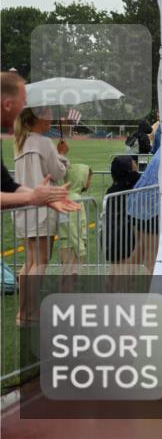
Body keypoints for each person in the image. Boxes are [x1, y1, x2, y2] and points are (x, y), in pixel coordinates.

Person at [12, 104, 73, 325]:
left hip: (24, 206)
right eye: (47, 114)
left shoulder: (20, 142)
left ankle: (24, 312)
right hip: (43, 209)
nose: (51, 118)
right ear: (38, 117)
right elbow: (58, 172)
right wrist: (62, 155)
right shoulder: (43, 142)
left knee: (30, 261)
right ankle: (30, 313)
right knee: (41, 261)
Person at [0, 71, 76, 211]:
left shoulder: (12, 140)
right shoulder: (42, 141)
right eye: (23, 104)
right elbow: (58, 172)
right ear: (8, 105)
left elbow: (6, 185)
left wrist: (45, 198)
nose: (25, 111)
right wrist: (32, 197)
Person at [127, 148, 160, 273]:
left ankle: (116, 284)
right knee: (152, 259)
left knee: (140, 251)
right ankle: (148, 291)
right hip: (151, 207)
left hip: (139, 202)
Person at [104, 155, 140, 264]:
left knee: (117, 268)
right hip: (123, 236)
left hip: (112, 236)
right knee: (122, 269)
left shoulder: (112, 190)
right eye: (134, 168)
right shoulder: (127, 189)